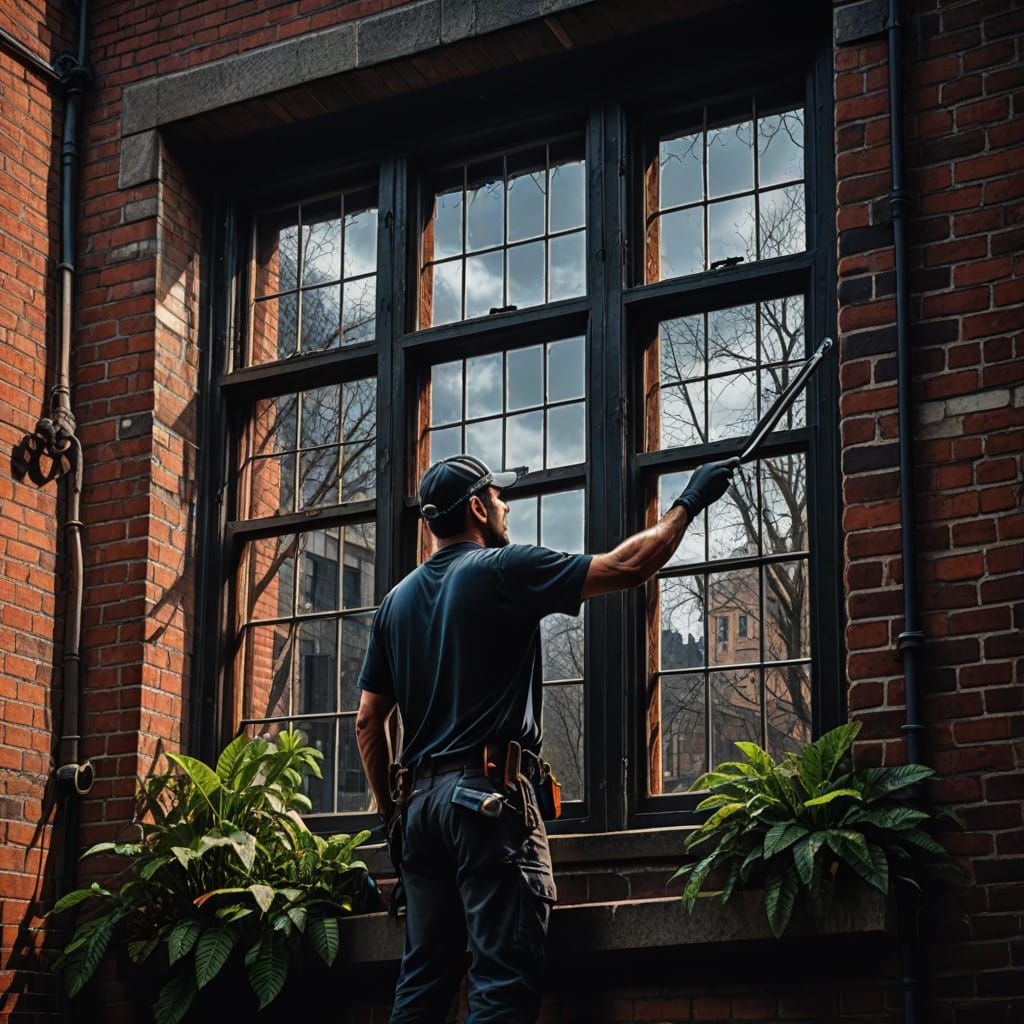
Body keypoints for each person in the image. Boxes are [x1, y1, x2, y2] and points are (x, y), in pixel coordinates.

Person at [355, 452, 733, 1024]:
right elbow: (629, 565)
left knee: (422, 984)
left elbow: (368, 721)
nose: (506, 507)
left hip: (421, 817)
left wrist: (392, 819)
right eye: (499, 496)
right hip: (486, 805)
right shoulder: (501, 569)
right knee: (501, 990)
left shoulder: (394, 603)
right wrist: (689, 502)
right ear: (477, 507)